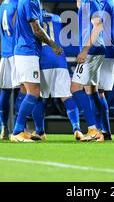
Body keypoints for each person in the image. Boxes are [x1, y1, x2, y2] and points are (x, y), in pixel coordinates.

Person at [9, 0, 62, 142]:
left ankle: (30, 131)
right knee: (34, 92)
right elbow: (37, 29)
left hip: (23, 51)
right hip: (27, 52)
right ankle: (17, 131)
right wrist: (53, 44)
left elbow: (17, 19)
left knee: (27, 92)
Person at [31, 9, 83, 140]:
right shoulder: (56, 17)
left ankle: (40, 131)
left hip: (42, 60)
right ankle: (76, 128)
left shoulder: (33, 19)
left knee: (37, 97)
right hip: (59, 60)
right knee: (66, 96)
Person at [70, 0, 106, 142]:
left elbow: (98, 26)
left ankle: (93, 129)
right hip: (95, 50)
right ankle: (100, 130)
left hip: (91, 50)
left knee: (75, 88)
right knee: (91, 91)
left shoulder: (91, 0)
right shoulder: (86, 0)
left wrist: (84, 50)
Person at [0, 0, 29, 139]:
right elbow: (16, 24)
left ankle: (4, 127)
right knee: (25, 88)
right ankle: (19, 126)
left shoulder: (4, 3)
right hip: (18, 51)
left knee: (6, 91)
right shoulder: (19, 3)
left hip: (6, 52)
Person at [92, 0, 114, 140]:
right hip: (107, 50)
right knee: (97, 91)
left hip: (106, 51)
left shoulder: (105, 2)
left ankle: (103, 130)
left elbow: (97, 23)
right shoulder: (106, 1)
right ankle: (104, 131)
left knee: (97, 91)